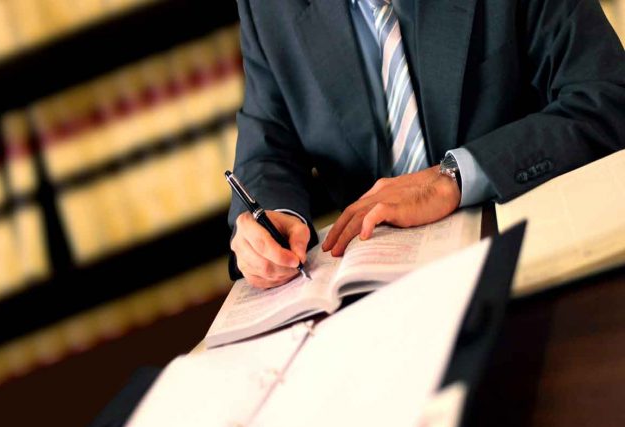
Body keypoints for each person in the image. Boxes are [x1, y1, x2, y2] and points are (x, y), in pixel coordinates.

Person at [228, 0, 625, 288]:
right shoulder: (267, 7)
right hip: (381, 290)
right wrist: (271, 221)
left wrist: (454, 176)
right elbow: (268, 145)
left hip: (531, 250)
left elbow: (607, 98)